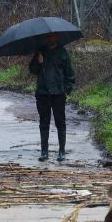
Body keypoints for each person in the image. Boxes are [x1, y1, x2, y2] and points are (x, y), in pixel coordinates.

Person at [28, 32, 75, 162]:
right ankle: (44, 151)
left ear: (57, 37)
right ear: (46, 38)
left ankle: (62, 151)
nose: (51, 38)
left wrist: (67, 90)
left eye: (53, 36)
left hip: (58, 94)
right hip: (43, 93)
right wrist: (39, 62)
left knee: (60, 122)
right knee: (44, 122)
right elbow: (32, 70)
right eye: (49, 36)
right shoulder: (40, 52)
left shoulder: (63, 53)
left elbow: (70, 74)